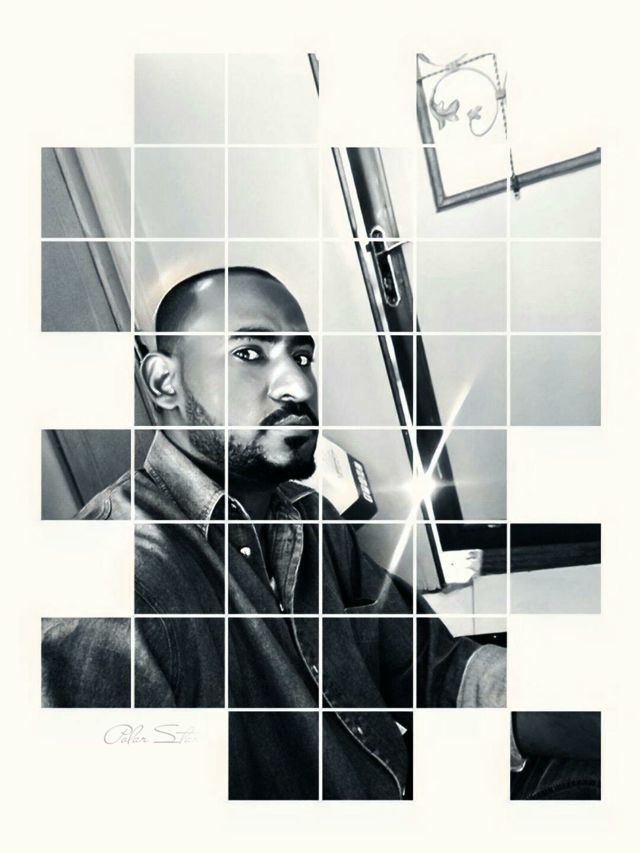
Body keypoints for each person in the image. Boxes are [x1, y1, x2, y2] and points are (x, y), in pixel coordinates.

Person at [41, 267, 600, 800]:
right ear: (164, 382)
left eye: (302, 356)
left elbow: (434, 669)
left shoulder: (313, 519)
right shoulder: (113, 576)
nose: (298, 384)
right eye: (249, 353)